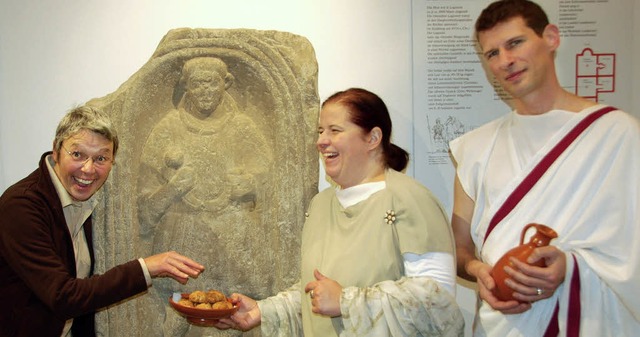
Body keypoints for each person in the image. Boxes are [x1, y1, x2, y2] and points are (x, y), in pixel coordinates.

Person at [449, 0, 640, 336]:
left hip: (593, 322)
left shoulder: (618, 134)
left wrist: (570, 267)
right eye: (491, 53)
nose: (505, 61)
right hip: (502, 325)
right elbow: (458, 245)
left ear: (551, 38)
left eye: (515, 43)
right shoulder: (476, 147)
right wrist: (477, 270)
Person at [214, 88, 464, 336]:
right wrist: (263, 311)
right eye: (321, 131)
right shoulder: (321, 205)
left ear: (373, 138)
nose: (322, 141)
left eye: (335, 130)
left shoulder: (411, 200)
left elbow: (437, 302)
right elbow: (318, 294)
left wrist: (346, 301)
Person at [0, 105, 205, 337]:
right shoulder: (21, 206)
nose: (88, 169)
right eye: (77, 154)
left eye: (101, 158)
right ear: (56, 152)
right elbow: (63, 296)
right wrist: (145, 267)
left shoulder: (87, 200)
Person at [137, 56, 273, 336]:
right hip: (181, 233)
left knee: (235, 312)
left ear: (226, 83)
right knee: (176, 316)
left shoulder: (242, 127)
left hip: (234, 234)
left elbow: (274, 183)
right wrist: (173, 188)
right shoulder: (169, 127)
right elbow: (145, 209)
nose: (205, 91)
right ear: (186, 86)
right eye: (197, 84)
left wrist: (250, 184)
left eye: (211, 83)